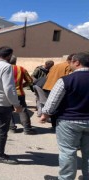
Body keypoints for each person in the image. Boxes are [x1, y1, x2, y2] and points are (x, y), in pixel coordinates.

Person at [40, 52, 89, 180]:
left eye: (71, 62)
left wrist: (45, 114)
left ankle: (66, 178)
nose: (70, 64)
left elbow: (53, 100)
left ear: (77, 62)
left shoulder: (66, 80)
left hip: (69, 121)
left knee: (68, 151)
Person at [42, 54, 74, 128]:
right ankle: (57, 125)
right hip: (59, 88)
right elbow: (69, 77)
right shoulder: (68, 66)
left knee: (53, 106)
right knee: (59, 107)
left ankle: (53, 124)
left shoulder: (55, 66)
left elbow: (47, 76)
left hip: (49, 86)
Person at [8, 56, 37, 135]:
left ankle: (12, 128)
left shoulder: (3, 68)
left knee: (8, 110)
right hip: (19, 93)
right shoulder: (21, 69)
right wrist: (22, 85)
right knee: (22, 110)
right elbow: (30, 81)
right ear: (15, 61)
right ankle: (27, 129)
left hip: (6, 93)